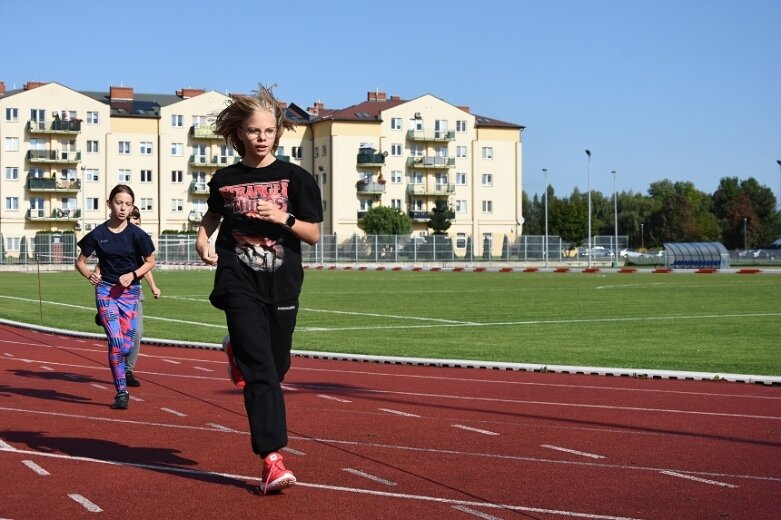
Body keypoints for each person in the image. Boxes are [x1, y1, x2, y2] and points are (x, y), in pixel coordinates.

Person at [195, 85, 322, 495]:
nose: (262, 137)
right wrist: (203, 239)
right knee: (262, 374)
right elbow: (213, 216)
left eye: (269, 130)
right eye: (254, 130)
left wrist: (283, 219)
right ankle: (271, 459)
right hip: (238, 280)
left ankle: (235, 350)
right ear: (240, 135)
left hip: (282, 282)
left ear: (278, 133)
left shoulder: (297, 178)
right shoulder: (226, 180)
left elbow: (314, 235)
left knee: (276, 367)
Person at [75, 184, 156, 410]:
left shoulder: (138, 235)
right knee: (116, 343)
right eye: (119, 203)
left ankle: (106, 320)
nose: (123, 208)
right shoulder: (98, 234)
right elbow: (80, 261)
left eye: (128, 204)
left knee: (128, 345)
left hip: (130, 293)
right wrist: (89, 274)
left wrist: (133, 275)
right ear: (109, 203)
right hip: (106, 291)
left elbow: (150, 262)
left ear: (132, 207)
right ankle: (121, 392)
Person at [92, 205, 161, 387]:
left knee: (136, 332)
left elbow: (145, 266)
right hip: (112, 292)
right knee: (119, 335)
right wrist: (97, 274)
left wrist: (153, 286)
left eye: (137, 220)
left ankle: (128, 369)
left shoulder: (139, 240)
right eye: (132, 220)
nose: (135, 224)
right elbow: (103, 262)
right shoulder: (117, 239)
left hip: (133, 293)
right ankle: (121, 370)